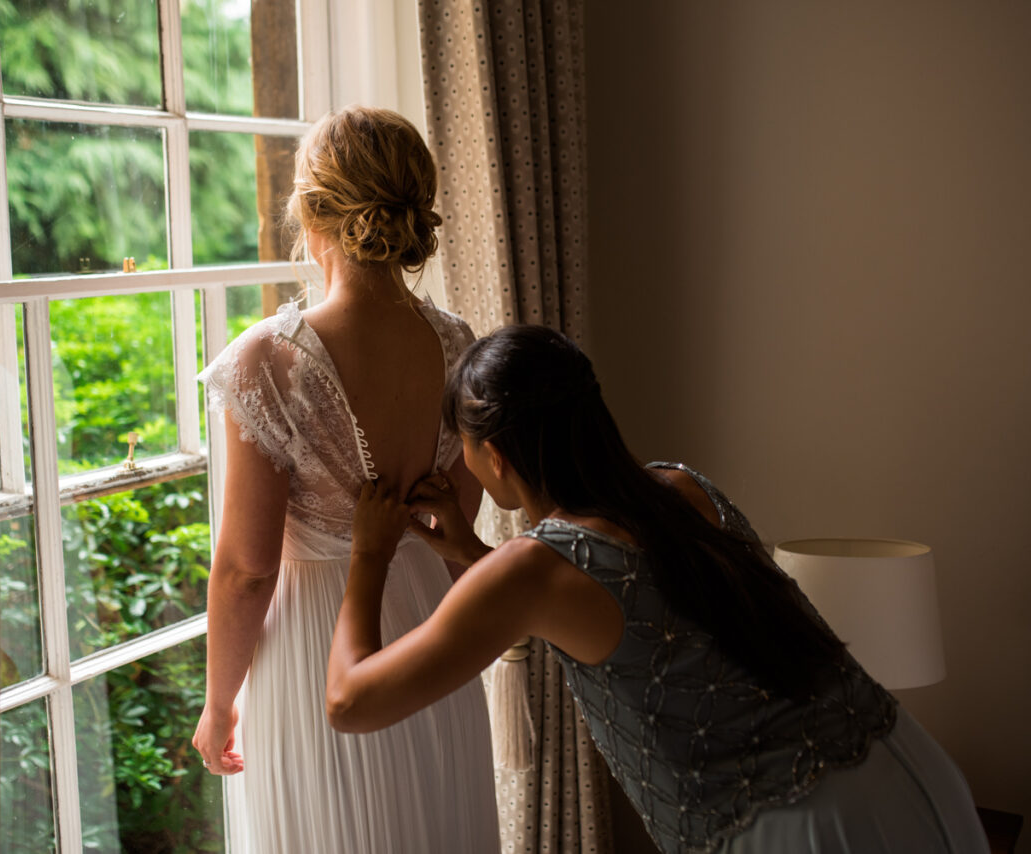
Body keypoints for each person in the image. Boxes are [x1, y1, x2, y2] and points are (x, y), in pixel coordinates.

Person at [328, 324, 988, 854]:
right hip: (903, 768)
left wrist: (371, 551)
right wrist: (471, 553)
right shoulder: (682, 488)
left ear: (495, 455)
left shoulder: (531, 571)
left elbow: (349, 703)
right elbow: (627, 610)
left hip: (800, 830)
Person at [191, 106, 499, 853]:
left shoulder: (268, 363)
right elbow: (457, 528)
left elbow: (244, 571)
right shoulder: (460, 346)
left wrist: (219, 705)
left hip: (313, 655)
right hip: (430, 640)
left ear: (311, 211)